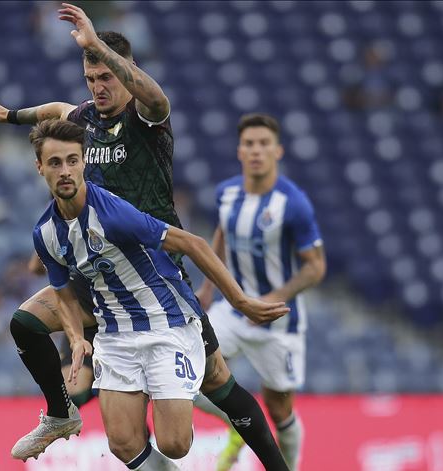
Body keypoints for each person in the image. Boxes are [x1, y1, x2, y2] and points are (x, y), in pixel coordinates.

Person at [0, 4, 289, 468]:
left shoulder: (146, 117)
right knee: (27, 323)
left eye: (106, 77)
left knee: (217, 379)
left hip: (156, 267)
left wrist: (96, 44)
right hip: (97, 270)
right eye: (90, 77)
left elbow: (155, 97)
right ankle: (60, 414)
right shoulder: (82, 118)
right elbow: (56, 110)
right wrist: (9, 115)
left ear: (125, 72)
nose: (98, 86)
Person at [28, 119, 290, 469]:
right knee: (122, 443)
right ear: (39, 167)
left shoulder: (113, 212)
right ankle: (63, 412)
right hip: (114, 330)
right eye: (56, 162)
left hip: (164, 319)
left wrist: (240, 301)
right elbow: (60, 291)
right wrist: (76, 338)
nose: (65, 170)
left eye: (72, 161)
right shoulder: (45, 231)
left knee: (176, 442)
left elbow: (192, 243)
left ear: (84, 162)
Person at [195, 114, 327, 471]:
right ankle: (237, 421)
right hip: (232, 312)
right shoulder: (227, 193)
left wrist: (270, 300)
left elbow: (316, 266)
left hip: (277, 322)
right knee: (187, 368)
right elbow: (222, 233)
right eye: (249, 144)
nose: (256, 151)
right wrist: (209, 287)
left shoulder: (293, 203)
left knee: (279, 407)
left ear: (277, 151)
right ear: (240, 151)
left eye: (263, 144)